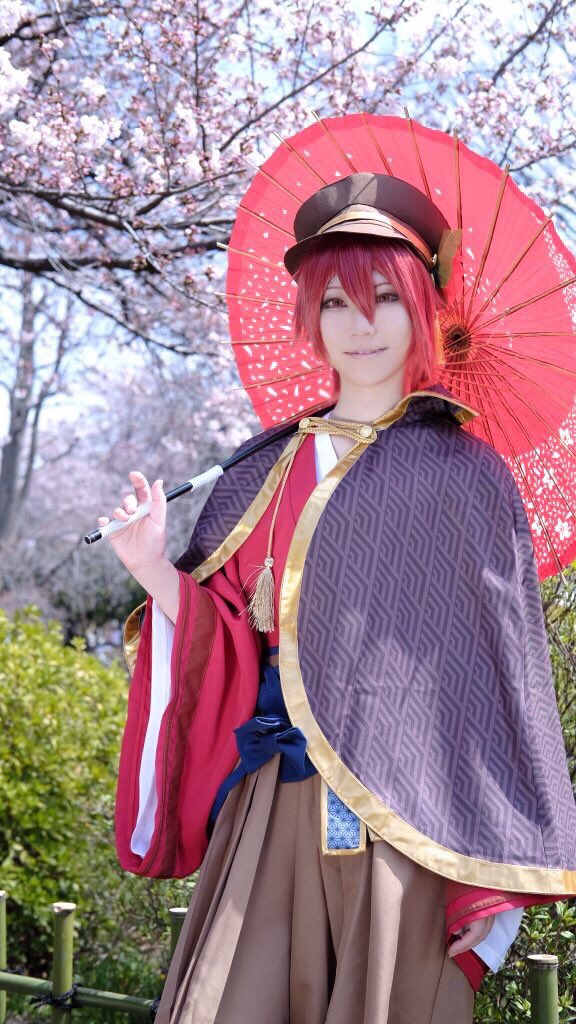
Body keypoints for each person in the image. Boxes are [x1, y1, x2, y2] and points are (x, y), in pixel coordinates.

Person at [103, 174, 576, 1024]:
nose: (361, 325)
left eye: (386, 297)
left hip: (409, 817)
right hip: (270, 804)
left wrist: (490, 885)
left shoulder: (468, 476)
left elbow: (500, 682)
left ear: (425, 308)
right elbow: (225, 641)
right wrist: (153, 570)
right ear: (309, 319)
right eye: (334, 303)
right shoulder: (261, 467)